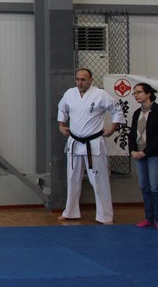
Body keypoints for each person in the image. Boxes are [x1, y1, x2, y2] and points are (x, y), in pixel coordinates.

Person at [57, 68, 124, 225]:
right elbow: (62, 109)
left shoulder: (100, 94)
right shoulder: (70, 94)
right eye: (78, 79)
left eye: (83, 79)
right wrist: (61, 125)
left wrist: (112, 128)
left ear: (91, 80)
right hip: (74, 142)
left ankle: (105, 215)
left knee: (99, 179)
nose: (80, 82)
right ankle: (70, 212)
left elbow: (117, 110)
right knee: (72, 178)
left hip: (93, 144)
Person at [128, 83, 158, 229]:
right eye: (134, 93)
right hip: (139, 155)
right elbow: (132, 134)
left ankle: (157, 218)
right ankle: (148, 218)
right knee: (144, 187)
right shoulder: (136, 113)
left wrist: (146, 151)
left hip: (153, 155)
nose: (136, 95)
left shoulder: (157, 111)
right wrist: (132, 151)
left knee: (154, 187)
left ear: (148, 94)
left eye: (139, 92)